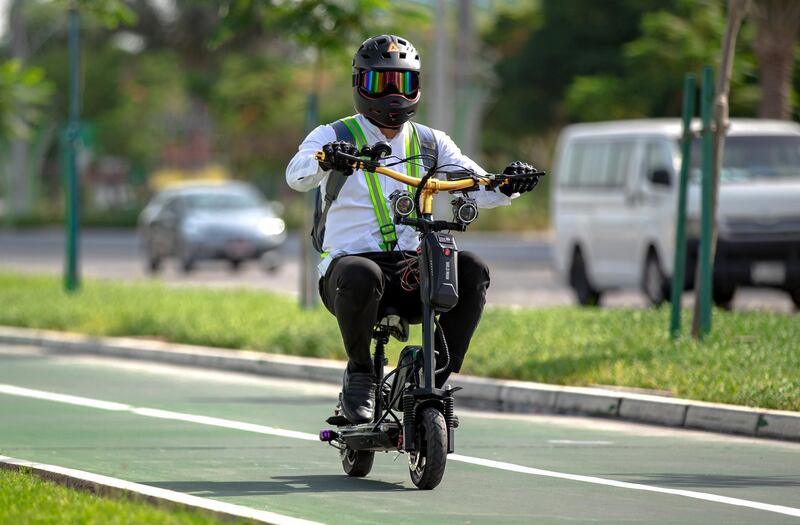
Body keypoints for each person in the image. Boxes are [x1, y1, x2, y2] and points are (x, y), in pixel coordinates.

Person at [286, 34, 540, 425]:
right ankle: (361, 374)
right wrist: (324, 160)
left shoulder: (432, 143)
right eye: (380, 83)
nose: (392, 94)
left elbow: (474, 182)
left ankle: (435, 371)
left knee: (471, 269)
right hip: (348, 275)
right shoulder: (333, 136)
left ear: (416, 88)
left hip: (411, 273)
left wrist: (507, 184)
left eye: (402, 83)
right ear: (359, 85)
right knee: (360, 272)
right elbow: (296, 175)